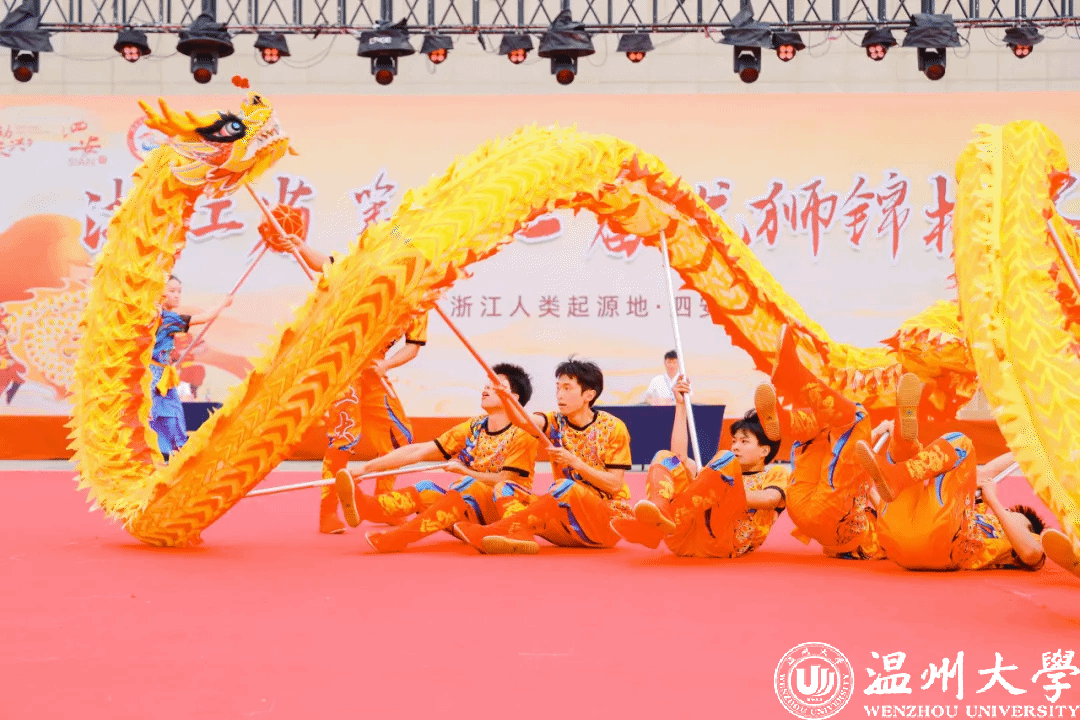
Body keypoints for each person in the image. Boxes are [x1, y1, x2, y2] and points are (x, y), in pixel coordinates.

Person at [269, 226, 427, 535]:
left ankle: (384, 503)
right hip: (343, 364)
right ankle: (328, 512)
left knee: (399, 435)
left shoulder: (418, 298)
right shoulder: (362, 271)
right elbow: (324, 263)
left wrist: (387, 365)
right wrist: (300, 246)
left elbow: (413, 346)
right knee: (344, 435)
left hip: (375, 370)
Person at [332, 363, 540, 553]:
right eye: (487, 383)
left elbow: (506, 482)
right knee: (427, 489)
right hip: (470, 511)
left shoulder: (525, 433)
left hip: (504, 515)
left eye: (496, 385)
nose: (486, 388)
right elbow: (419, 451)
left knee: (469, 485)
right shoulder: (475, 426)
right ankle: (367, 507)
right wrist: (365, 469)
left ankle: (397, 538)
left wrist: (465, 471)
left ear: (513, 397)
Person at [854, 374, 1047, 572]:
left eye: (1012, 515)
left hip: (943, 546)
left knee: (961, 444)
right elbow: (986, 471)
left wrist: (994, 502)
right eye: (1009, 512)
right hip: (897, 540)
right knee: (918, 462)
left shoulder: (1018, 543)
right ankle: (903, 440)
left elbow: (1032, 555)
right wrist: (1032, 451)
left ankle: (900, 466)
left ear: (1029, 530)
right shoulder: (974, 511)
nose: (1007, 512)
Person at [453, 358, 633, 555]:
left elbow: (614, 485)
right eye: (558, 388)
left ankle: (494, 531)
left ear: (588, 395)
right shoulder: (554, 421)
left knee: (564, 487)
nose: (559, 395)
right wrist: (506, 397)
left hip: (605, 524)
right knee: (506, 488)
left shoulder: (613, 427)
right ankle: (519, 536)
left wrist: (575, 463)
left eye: (567, 388)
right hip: (568, 526)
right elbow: (523, 421)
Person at [612, 375, 790, 557]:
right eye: (734, 440)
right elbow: (680, 458)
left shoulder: (775, 473)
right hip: (683, 537)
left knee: (725, 459)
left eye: (744, 441)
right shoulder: (715, 475)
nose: (735, 446)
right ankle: (660, 512)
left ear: (764, 450)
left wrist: (721, 492)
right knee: (666, 458)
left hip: (722, 542)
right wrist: (680, 405)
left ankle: (658, 524)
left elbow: (770, 499)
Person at [754, 325, 883, 560]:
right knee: (828, 429)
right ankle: (785, 420)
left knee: (855, 417)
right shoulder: (889, 528)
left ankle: (794, 385)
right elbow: (858, 458)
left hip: (820, 511)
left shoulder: (884, 532)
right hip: (820, 512)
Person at [150, 275, 230, 462]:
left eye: (179, 291)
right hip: (156, 376)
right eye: (172, 291)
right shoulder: (166, 318)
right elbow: (204, 318)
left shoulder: (158, 316)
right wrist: (223, 304)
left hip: (163, 374)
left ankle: (168, 455)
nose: (177, 295)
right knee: (164, 416)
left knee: (168, 415)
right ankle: (167, 456)